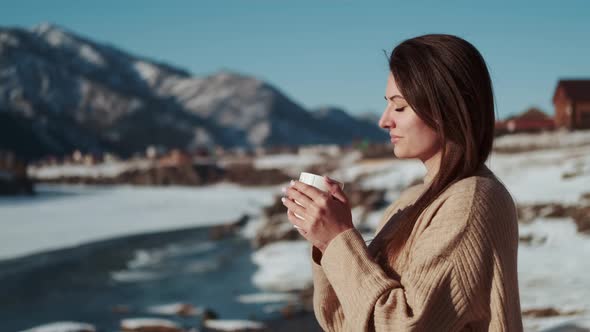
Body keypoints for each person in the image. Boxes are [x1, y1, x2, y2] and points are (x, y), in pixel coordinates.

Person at [281, 34, 523, 331]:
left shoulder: (471, 202)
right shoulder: (410, 202)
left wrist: (337, 240)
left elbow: (405, 325)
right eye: (387, 105)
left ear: (447, 108)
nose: (384, 121)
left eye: (399, 107)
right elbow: (345, 322)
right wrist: (325, 241)